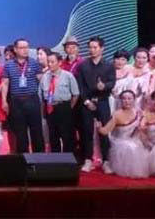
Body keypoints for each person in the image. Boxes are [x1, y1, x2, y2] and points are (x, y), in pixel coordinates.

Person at [75, 36, 116, 173]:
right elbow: (80, 87)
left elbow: (112, 82)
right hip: (87, 103)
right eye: (90, 47)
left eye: (95, 47)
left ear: (102, 48)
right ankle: (88, 160)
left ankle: (106, 161)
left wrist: (104, 86)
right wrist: (86, 101)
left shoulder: (108, 65)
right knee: (87, 131)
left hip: (103, 102)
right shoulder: (83, 65)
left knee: (104, 131)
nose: (92, 50)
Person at [1, 38, 45, 154]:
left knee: (36, 131)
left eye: (27, 47)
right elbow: (5, 84)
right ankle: (23, 159)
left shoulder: (34, 63)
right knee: (20, 132)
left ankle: (39, 158)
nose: (25, 50)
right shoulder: (8, 65)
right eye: (22, 48)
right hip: (16, 103)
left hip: (32, 100)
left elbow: (42, 81)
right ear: (15, 49)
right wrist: (4, 101)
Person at [97, 90, 148, 178]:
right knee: (130, 147)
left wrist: (142, 128)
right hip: (120, 142)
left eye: (129, 98)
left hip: (135, 140)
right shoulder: (117, 114)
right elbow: (105, 131)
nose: (127, 101)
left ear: (134, 100)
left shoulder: (138, 112)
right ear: (120, 100)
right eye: (124, 99)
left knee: (139, 146)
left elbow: (144, 127)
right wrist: (99, 128)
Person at [40, 52, 79, 154]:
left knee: (67, 137)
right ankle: (55, 159)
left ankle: (68, 159)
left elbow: (75, 94)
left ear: (60, 62)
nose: (50, 64)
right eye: (48, 62)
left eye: (52, 62)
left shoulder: (68, 76)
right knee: (53, 136)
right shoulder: (45, 77)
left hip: (64, 107)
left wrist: (69, 107)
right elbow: (41, 96)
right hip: (50, 108)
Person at [110, 50, 133, 114]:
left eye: (123, 59)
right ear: (114, 59)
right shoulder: (108, 71)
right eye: (117, 59)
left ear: (127, 61)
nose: (120, 62)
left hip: (124, 101)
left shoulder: (129, 72)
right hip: (110, 100)